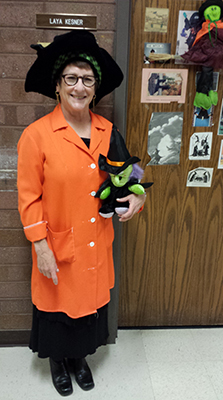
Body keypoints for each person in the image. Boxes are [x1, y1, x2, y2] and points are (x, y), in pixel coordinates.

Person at [17, 30, 146, 397]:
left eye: (87, 79)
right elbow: (28, 197)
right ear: (57, 86)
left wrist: (138, 197)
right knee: (58, 308)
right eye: (71, 78)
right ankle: (58, 361)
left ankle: (78, 358)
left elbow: (129, 175)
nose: (79, 87)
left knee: (87, 307)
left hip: (95, 244)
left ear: (96, 87)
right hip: (57, 244)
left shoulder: (108, 130)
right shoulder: (37, 135)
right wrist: (40, 245)